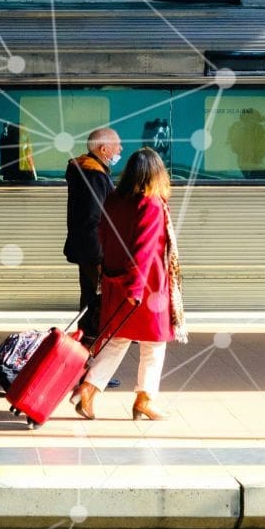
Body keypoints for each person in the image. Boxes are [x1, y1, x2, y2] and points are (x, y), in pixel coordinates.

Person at [73, 147, 187, 421]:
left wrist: (113, 277)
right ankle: (144, 400)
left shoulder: (114, 199)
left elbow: (103, 236)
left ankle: (87, 390)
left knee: (117, 339)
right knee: (154, 345)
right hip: (146, 288)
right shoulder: (151, 204)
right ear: (157, 173)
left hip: (116, 281)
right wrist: (135, 289)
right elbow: (144, 249)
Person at [64, 126, 121, 346]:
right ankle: (91, 362)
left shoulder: (89, 171)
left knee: (90, 300)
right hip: (95, 251)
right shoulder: (94, 175)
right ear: (104, 148)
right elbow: (94, 217)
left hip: (88, 249)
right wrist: (102, 254)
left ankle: (85, 359)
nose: (120, 149)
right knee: (96, 304)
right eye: (117, 146)